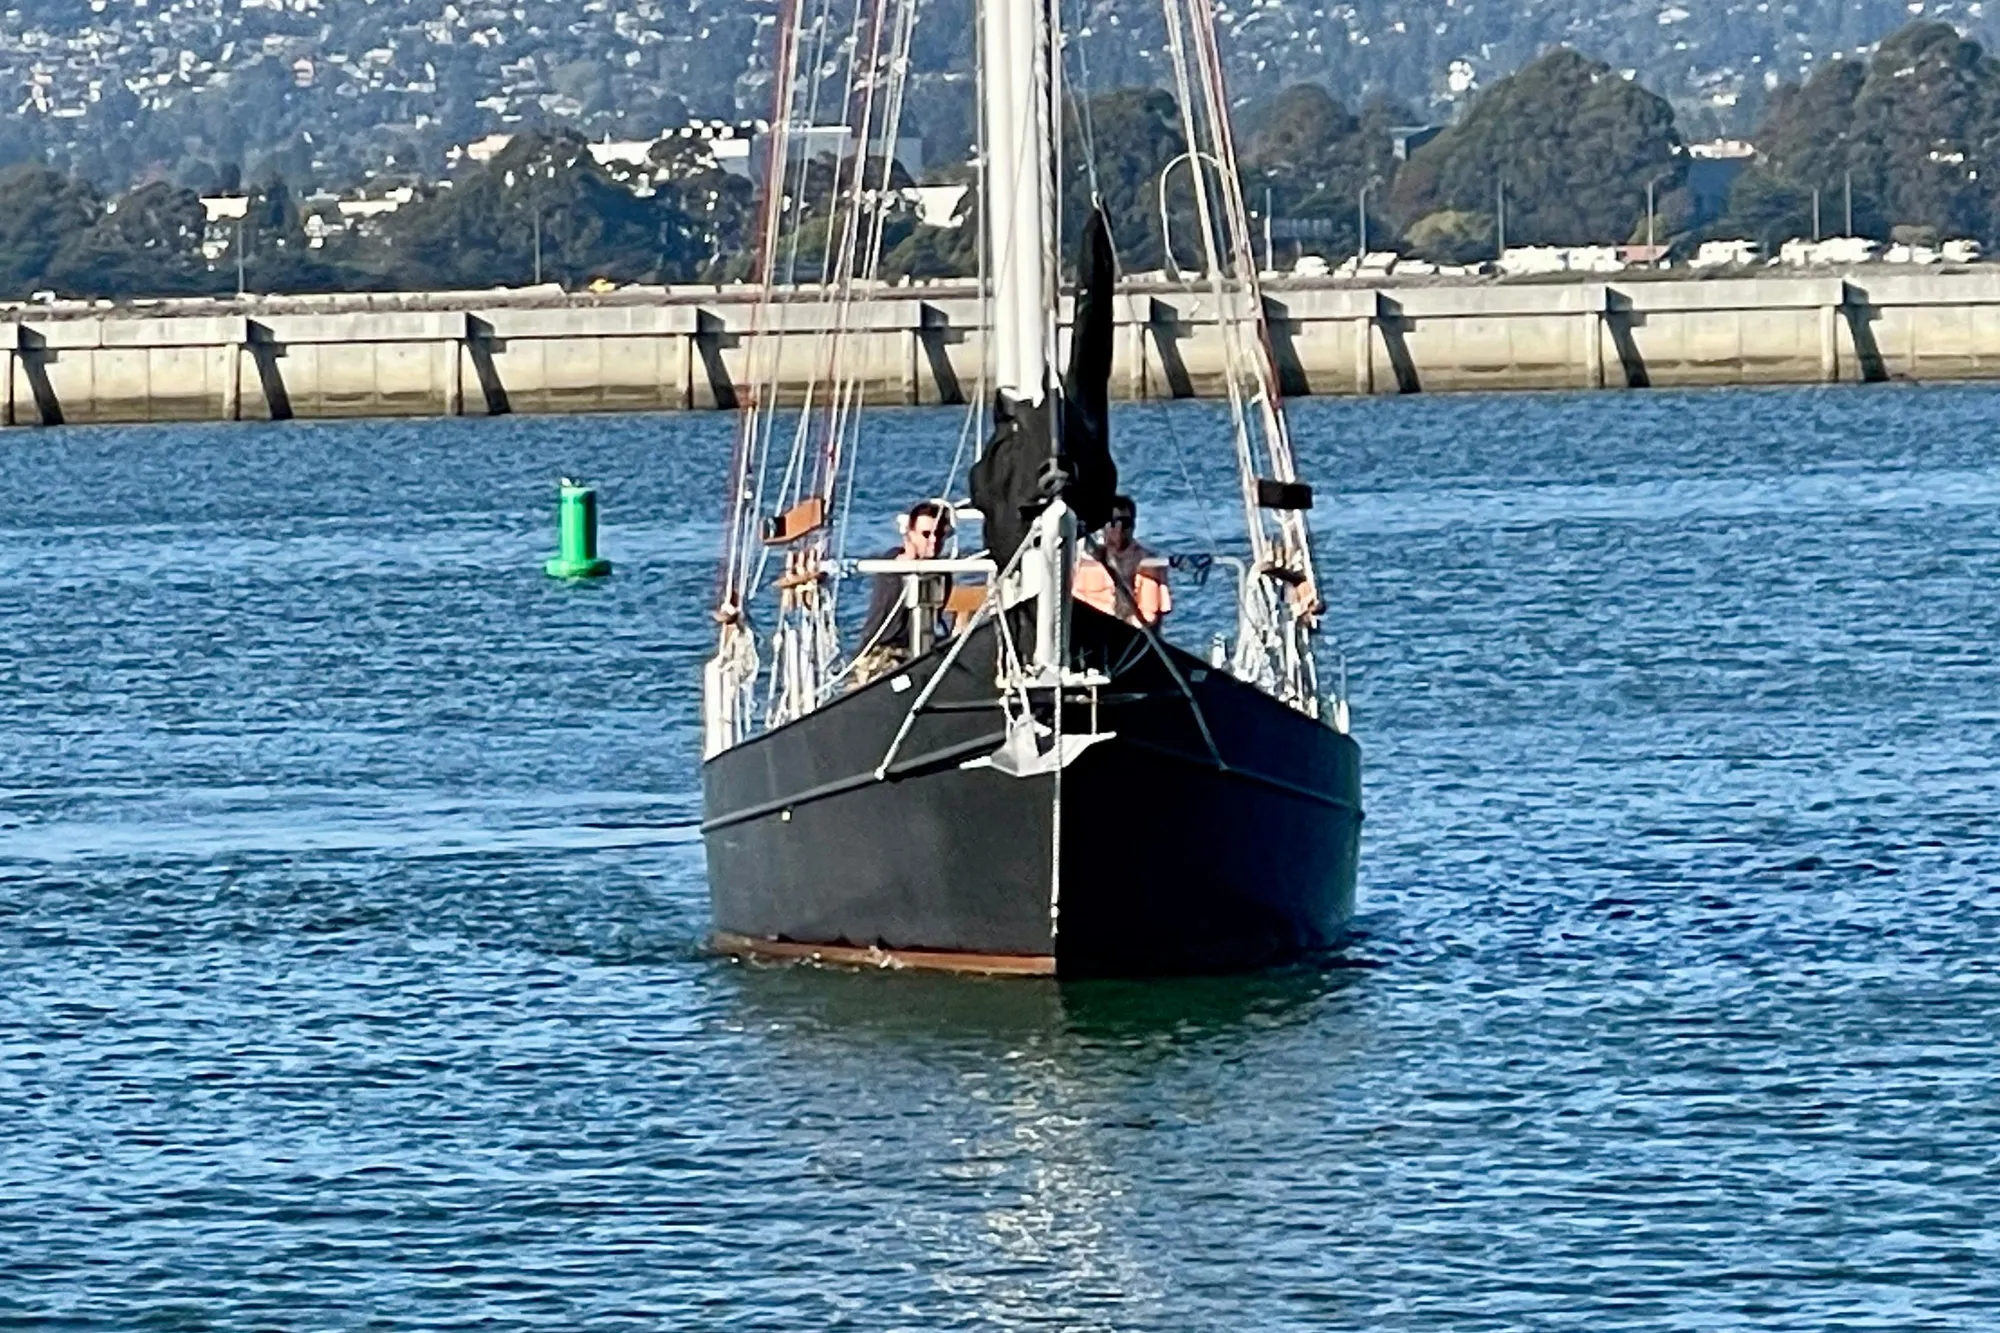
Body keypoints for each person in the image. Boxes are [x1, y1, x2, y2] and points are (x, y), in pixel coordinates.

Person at [851, 499, 954, 685]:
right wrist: (909, 561)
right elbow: (897, 564)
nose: (934, 540)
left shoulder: (943, 573)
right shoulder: (893, 564)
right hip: (884, 650)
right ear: (911, 535)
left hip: (922, 648)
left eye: (939, 534)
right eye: (926, 534)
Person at [1075, 494, 1172, 626]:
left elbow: (1149, 618)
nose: (1119, 529)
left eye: (1125, 523)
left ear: (1133, 526)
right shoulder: (1087, 559)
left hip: (1130, 632)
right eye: (1113, 522)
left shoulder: (1147, 562)